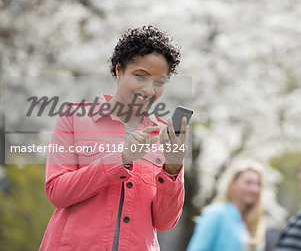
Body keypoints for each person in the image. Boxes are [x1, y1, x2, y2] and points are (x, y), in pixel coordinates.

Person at [39, 25, 189, 251]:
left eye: (160, 82)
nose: (150, 90)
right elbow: (57, 193)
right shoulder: (74, 117)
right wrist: (121, 158)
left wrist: (173, 168)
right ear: (119, 69)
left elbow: (165, 222)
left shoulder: (163, 137)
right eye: (141, 76)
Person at [187, 161, 266, 251]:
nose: (254, 189)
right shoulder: (215, 214)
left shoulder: (255, 224)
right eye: (248, 182)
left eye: (258, 184)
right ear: (233, 184)